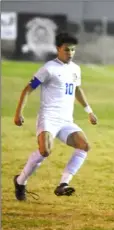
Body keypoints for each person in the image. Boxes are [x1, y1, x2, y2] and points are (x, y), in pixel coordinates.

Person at [13, 32, 98, 201]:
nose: (70, 54)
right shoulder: (48, 68)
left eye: (73, 50)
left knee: (84, 145)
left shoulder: (75, 69)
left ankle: (63, 184)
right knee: (45, 151)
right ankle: (20, 181)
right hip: (49, 118)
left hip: (66, 121)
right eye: (67, 50)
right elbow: (28, 89)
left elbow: (77, 89)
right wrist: (18, 113)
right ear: (58, 49)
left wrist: (89, 110)